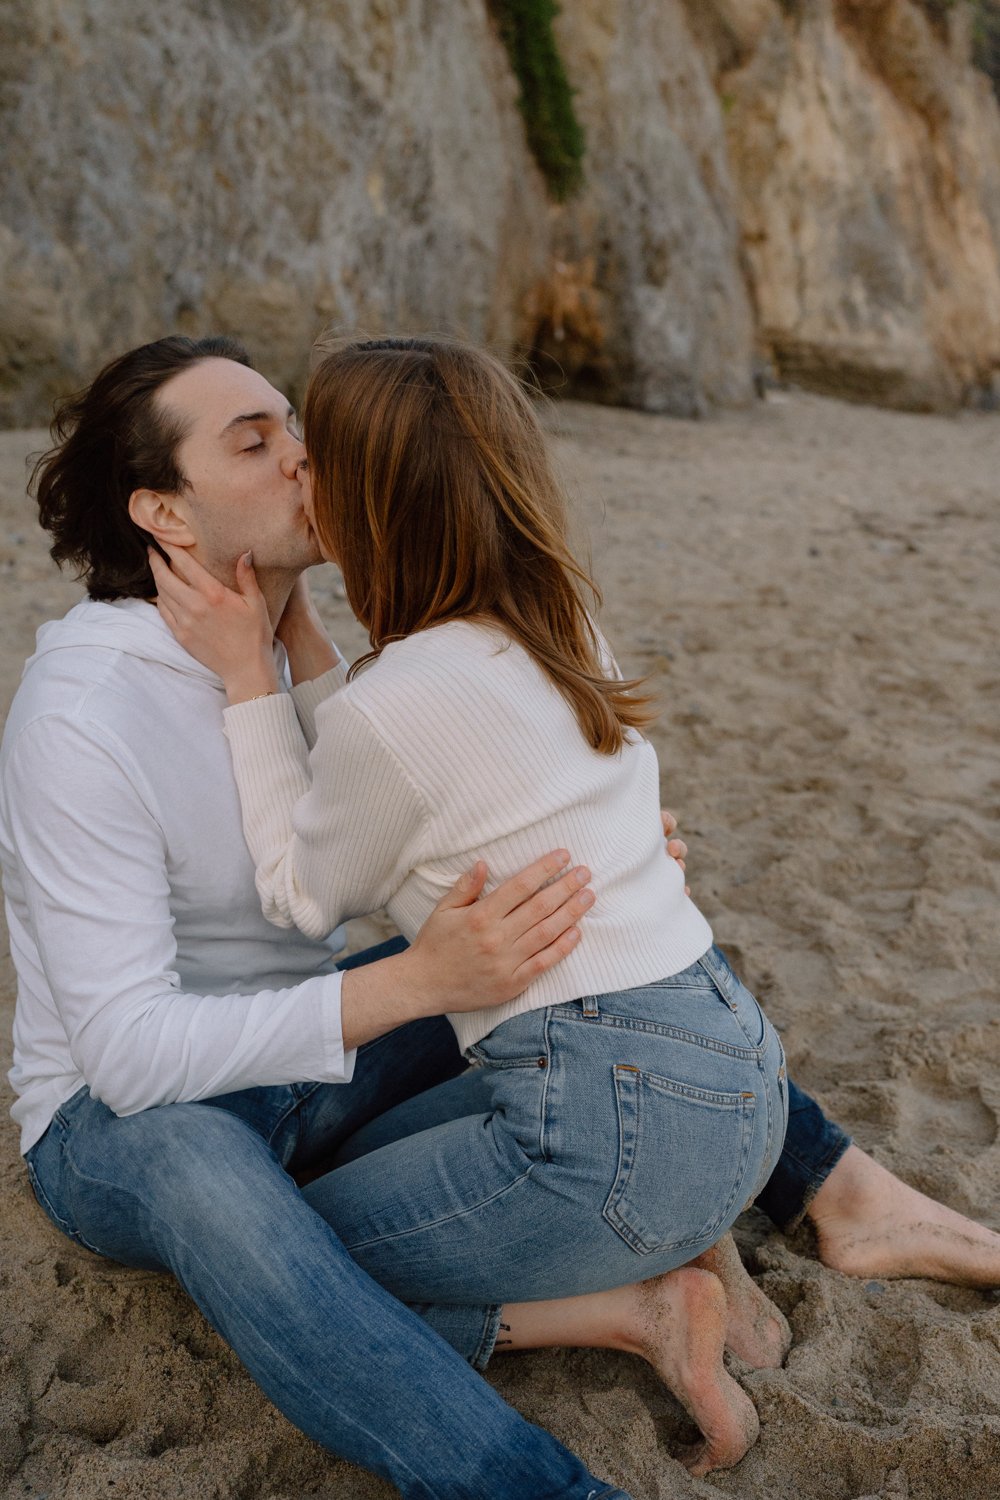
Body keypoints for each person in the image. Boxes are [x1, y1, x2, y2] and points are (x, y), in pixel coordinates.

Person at [7, 338, 999, 1489]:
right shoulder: (85, 716)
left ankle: (836, 1189)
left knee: (563, 923)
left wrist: (593, 850)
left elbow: (409, 816)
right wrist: (413, 985)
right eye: (256, 441)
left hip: (316, 1043)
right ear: (164, 514)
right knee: (242, 1218)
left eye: (297, 427)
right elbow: (128, 1053)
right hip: (130, 1113)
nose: (303, 457)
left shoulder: (284, 648)